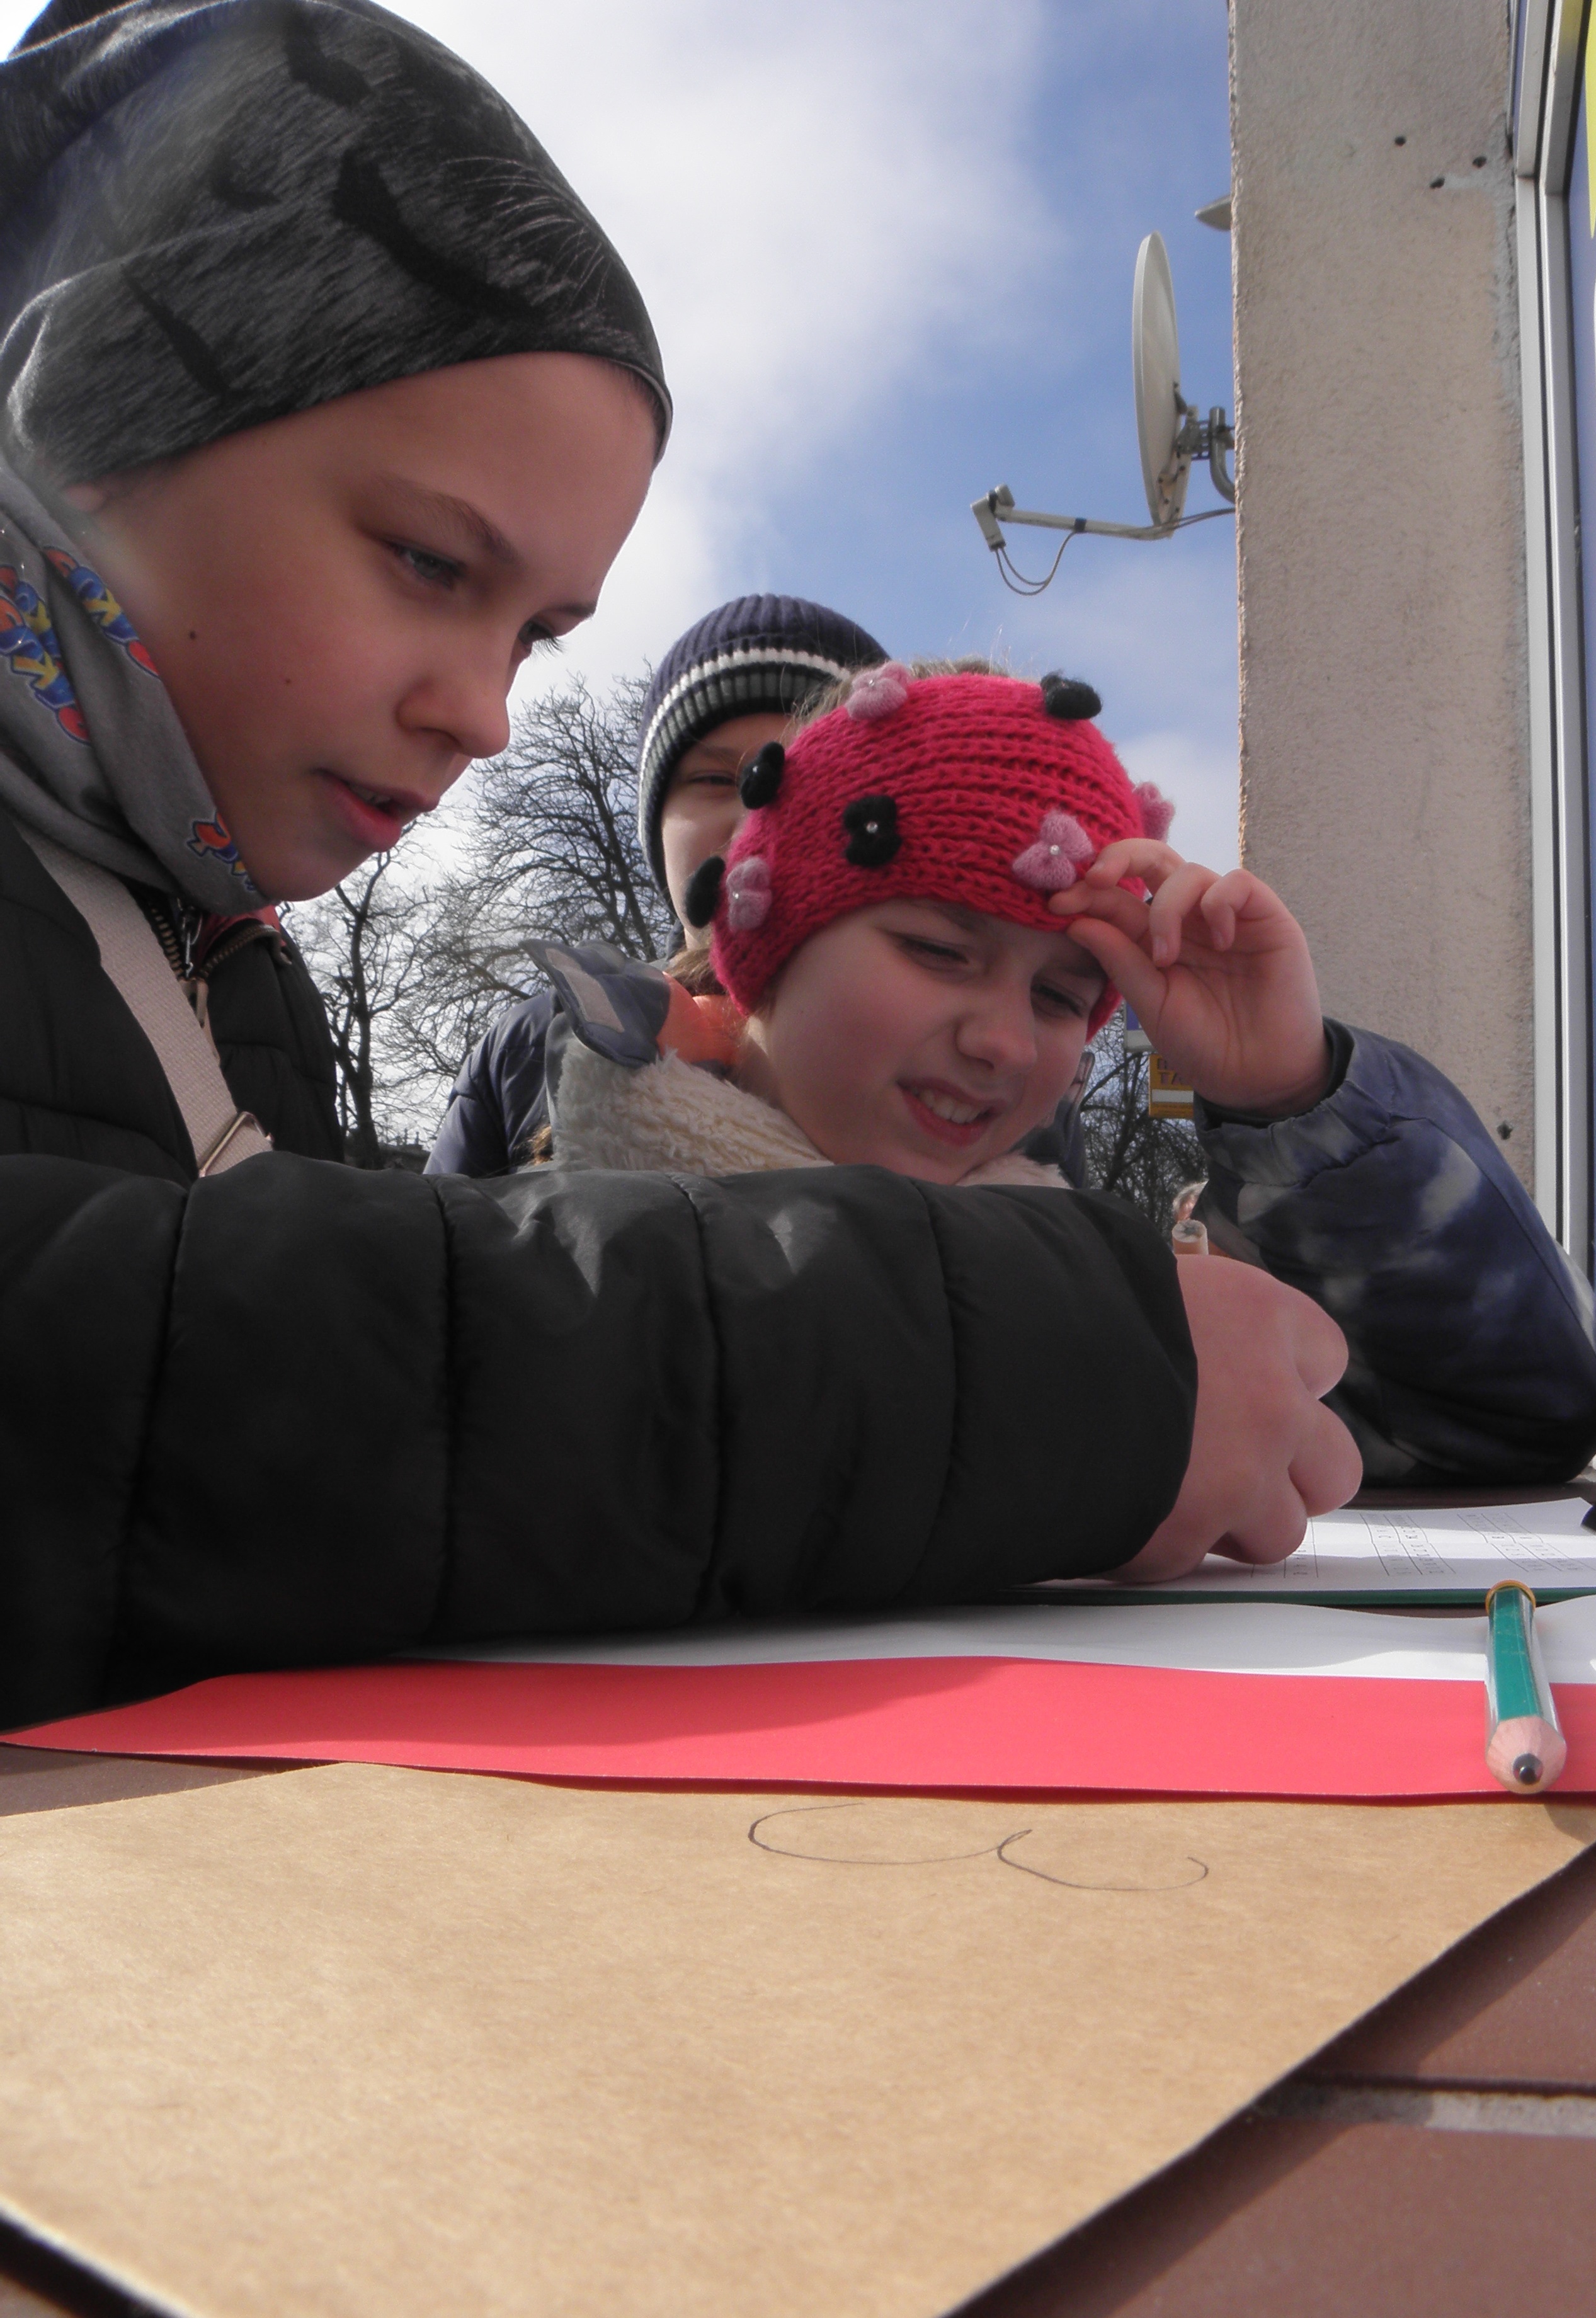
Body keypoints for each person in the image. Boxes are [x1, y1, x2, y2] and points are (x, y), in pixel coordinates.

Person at [0, 0, 1350, 1731]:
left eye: (541, 635)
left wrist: (1287, 1101)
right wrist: (996, 1375)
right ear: (85, 408)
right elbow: (112, 1383)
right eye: (426, 560)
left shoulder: (216, 955)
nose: (485, 714)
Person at [528, 660, 1596, 1487]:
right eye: (940, 952)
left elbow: (1519, 1419)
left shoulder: (1080, 1274)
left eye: (1060, 996)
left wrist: (1292, 1096)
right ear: (763, 948)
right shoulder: (548, 1244)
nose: (1005, 1041)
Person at [428, 593, 886, 1179]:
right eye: (717, 779)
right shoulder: (525, 1050)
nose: (755, 825)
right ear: (657, 828)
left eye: (810, 785)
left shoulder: (987, 1058)